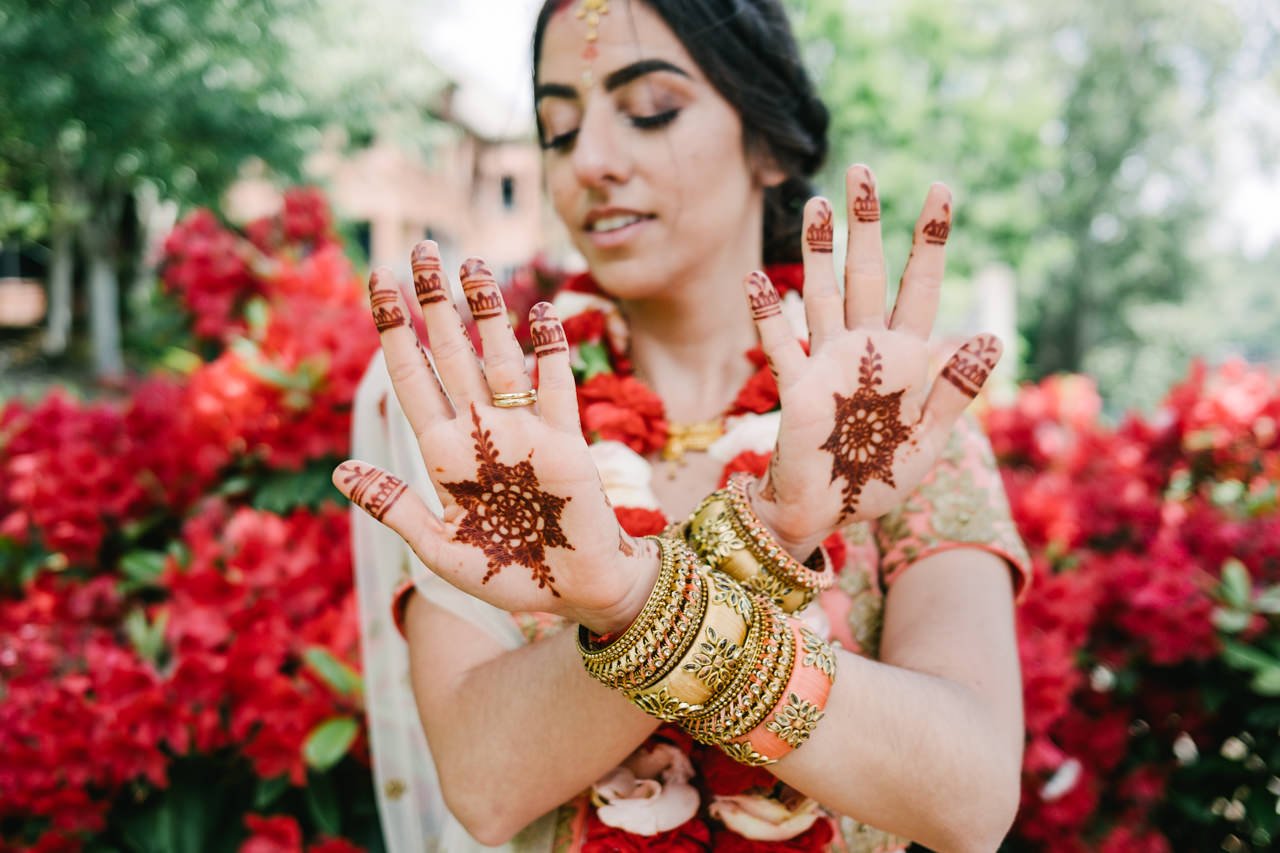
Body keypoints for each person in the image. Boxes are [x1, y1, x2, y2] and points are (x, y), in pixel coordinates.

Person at [341, 1, 1032, 850]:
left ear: (769, 140)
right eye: (559, 130)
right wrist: (768, 537)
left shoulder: (886, 414)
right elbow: (485, 781)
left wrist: (637, 604)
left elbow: (969, 794)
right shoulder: (495, 420)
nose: (589, 161)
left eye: (650, 112)